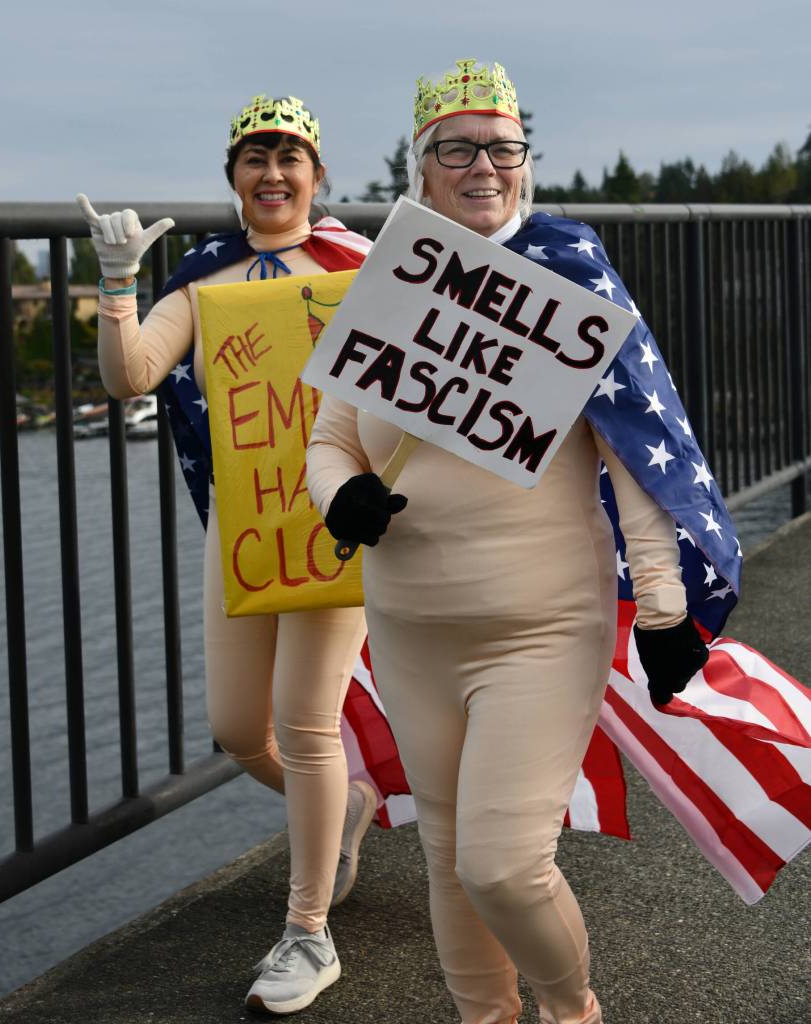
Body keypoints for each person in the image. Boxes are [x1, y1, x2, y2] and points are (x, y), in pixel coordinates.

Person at [307, 59, 734, 1024]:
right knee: (449, 856)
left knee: (502, 863)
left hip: (538, 624)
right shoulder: (388, 284)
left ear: (526, 164)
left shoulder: (565, 281)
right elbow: (328, 440)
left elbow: (637, 454)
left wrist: (664, 607)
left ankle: (570, 1009)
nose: (481, 166)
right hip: (411, 627)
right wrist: (343, 499)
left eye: (501, 147)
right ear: (421, 172)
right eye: (455, 149)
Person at [77, 93, 378, 1015]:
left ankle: (307, 932)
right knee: (239, 731)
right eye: (255, 157)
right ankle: (348, 812)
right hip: (242, 532)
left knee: (304, 722)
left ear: (318, 177)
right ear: (233, 177)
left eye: (290, 156)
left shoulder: (361, 269)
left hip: (333, 522)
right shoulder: (203, 278)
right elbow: (132, 373)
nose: (274, 172)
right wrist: (120, 283)